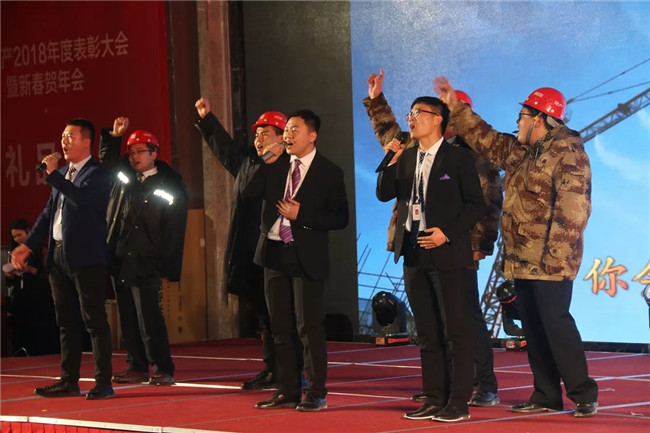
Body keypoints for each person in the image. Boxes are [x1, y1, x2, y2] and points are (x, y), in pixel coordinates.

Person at [434, 76, 598, 418]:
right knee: (533, 329)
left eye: (522, 116)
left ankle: (583, 393)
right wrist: (455, 107)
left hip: (551, 261)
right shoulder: (519, 152)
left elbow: (573, 210)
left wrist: (554, 258)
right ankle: (546, 395)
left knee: (555, 324)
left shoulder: (568, 153)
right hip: (522, 258)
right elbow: (485, 137)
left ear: (540, 119)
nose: (518, 122)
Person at [364, 69, 504, 407]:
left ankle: (483, 384)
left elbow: (487, 205)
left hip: (459, 247)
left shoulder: (473, 157)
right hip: (418, 247)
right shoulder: (413, 149)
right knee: (431, 324)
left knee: (465, 321)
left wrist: (480, 246)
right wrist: (376, 100)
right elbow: (388, 132)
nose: (413, 120)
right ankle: (440, 387)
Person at [244, 109, 348, 412]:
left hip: (306, 256)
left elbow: (340, 218)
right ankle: (287, 390)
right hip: (274, 253)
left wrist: (302, 215)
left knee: (308, 327)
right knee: (280, 328)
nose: (287, 135)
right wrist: (265, 160)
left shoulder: (330, 172)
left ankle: (315, 392)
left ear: (312, 136)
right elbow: (248, 193)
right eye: (286, 130)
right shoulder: (276, 165)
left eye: (294, 130)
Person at [11, 118, 114, 400]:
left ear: (86, 142)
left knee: (93, 320)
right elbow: (49, 213)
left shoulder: (98, 173)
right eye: (63, 136)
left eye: (70, 136)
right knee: (66, 321)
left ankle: (103, 382)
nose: (64, 141)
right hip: (58, 255)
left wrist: (54, 176)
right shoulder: (62, 174)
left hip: (87, 257)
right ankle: (69, 380)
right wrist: (28, 246)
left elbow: (83, 201)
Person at [194, 98, 287, 390]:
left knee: (279, 315)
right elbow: (224, 148)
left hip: (278, 250)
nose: (259, 139)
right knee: (263, 314)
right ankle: (272, 369)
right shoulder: (248, 161)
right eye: (257, 134)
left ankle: (287, 372)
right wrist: (207, 118)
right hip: (249, 249)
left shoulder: (289, 165)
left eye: (266, 134)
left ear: (282, 137)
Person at [100, 118, 188, 386]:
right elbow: (108, 164)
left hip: (147, 259)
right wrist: (114, 137)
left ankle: (162, 367)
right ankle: (136, 366)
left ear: (154, 153)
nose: (134, 157)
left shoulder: (169, 184)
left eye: (140, 151)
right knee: (127, 316)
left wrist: (168, 264)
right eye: (131, 152)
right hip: (120, 256)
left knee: (149, 316)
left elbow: (173, 228)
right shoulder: (125, 178)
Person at [3, 218, 59, 356]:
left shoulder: (41, 249)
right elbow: (11, 282)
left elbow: (49, 274)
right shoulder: (15, 252)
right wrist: (10, 275)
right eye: (14, 237)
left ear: (28, 231)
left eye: (19, 235)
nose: (17, 239)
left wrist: (30, 270)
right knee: (22, 327)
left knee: (40, 328)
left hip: (39, 296)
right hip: (22, 296)